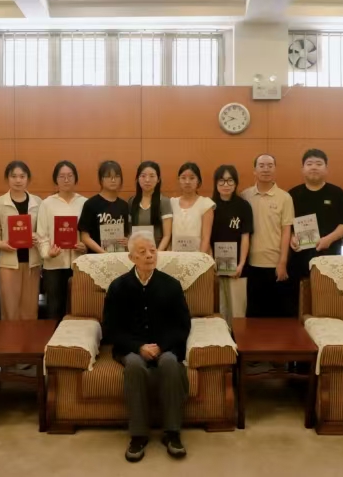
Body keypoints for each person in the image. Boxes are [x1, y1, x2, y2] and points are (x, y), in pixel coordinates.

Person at [102, 231, 191, 463]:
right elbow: (111, 328)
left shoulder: (171, 285)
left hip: (165, 347)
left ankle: (172, 433)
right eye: (142, 252)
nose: (150, 255)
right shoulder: (118, 287)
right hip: (131, 348)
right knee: (134, 365)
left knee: (170, 363)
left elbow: (182, 325)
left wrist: (161, 346)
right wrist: (138, 346)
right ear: (131, 257)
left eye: (152, 250)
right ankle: (138, 435)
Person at [241, 154, 295, 318]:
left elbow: (286, 231)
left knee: (276, 316)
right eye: (262, 165)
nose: (266, 169)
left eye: (270, 166)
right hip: (251, 265)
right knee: (253, 315)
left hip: (275, 264)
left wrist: (282, 262)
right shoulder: (245, 196)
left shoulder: (285, 198)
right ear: (254, 170)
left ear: (275, 169)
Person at [288, 149, 343, 281]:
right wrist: (291, 237)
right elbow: (285, 224)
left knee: (328, 291)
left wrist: (329, 239)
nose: (314, 167)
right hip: (299, 256)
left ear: (326, 169)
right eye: (309, 164)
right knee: (301, 291)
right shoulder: (292, 195)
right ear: (302, 169)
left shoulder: (337, 193)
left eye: (319, 164)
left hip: (330, 255)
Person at [36, 161, 88, 320]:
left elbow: (89, 233)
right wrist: (47, 253)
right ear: (56, 180)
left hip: (79, 263)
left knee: (79, 307)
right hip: (54, 264)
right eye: (62, 176)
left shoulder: (85, 203)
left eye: (70, 176)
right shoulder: (47, 204)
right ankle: (53, 336)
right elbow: (42, 235)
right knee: (54, 308)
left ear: (76, 178)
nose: (66, 180)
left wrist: (85, 247)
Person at [0, 161, 42, 321]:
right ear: (7, 178)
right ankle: (9, 338)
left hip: (32, 263)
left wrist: (37, 236)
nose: (18, 180)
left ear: (28, 179)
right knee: (9, 311)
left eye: (22, 176)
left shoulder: (38, 202)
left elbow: (43, 231)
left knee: (30, 311)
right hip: (8, 263)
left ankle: (30, 338)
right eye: (13, 176)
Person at [210, 165, 253, 324]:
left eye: (230, 181)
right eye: (221, 181)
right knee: (220, 309)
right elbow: (206, 238)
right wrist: (211, 262)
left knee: (237, 312)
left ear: (235, 183)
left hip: (238, 268)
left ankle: (238, 339)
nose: (226, 185)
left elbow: (245, 237)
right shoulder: (210, 206)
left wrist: (241, 264)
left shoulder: (243, 206)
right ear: (216, 183)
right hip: (216, 267)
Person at [79, 160, 130, 254]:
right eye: (108, 176)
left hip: (119, 256)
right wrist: (103, 253)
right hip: (97, 257)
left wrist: (128, 241)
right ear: (101, 179)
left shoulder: (124, 205)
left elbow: (126, 233)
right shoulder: (91, 204)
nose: (113, 180)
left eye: (117, 176)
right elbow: (85, 236)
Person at [170, 163, 215, 253]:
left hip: (198, 255)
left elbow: (205, 238)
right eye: (183, 178)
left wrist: (199, 259)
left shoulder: (206, 203)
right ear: (179, 180)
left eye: (192, 178)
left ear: (198, 181)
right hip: (175, 256)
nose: (187, 182)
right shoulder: (172, 203)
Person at [128, 161, 173, 251]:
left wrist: (157, 253)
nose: (147, 180)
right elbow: (130, 231)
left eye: (152, 176)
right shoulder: (132, 201)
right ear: (137, 179)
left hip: (157, 252)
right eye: (143, 176)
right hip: (137, 252)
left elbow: (167, 235)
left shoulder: (164, 202)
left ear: (158, 179)